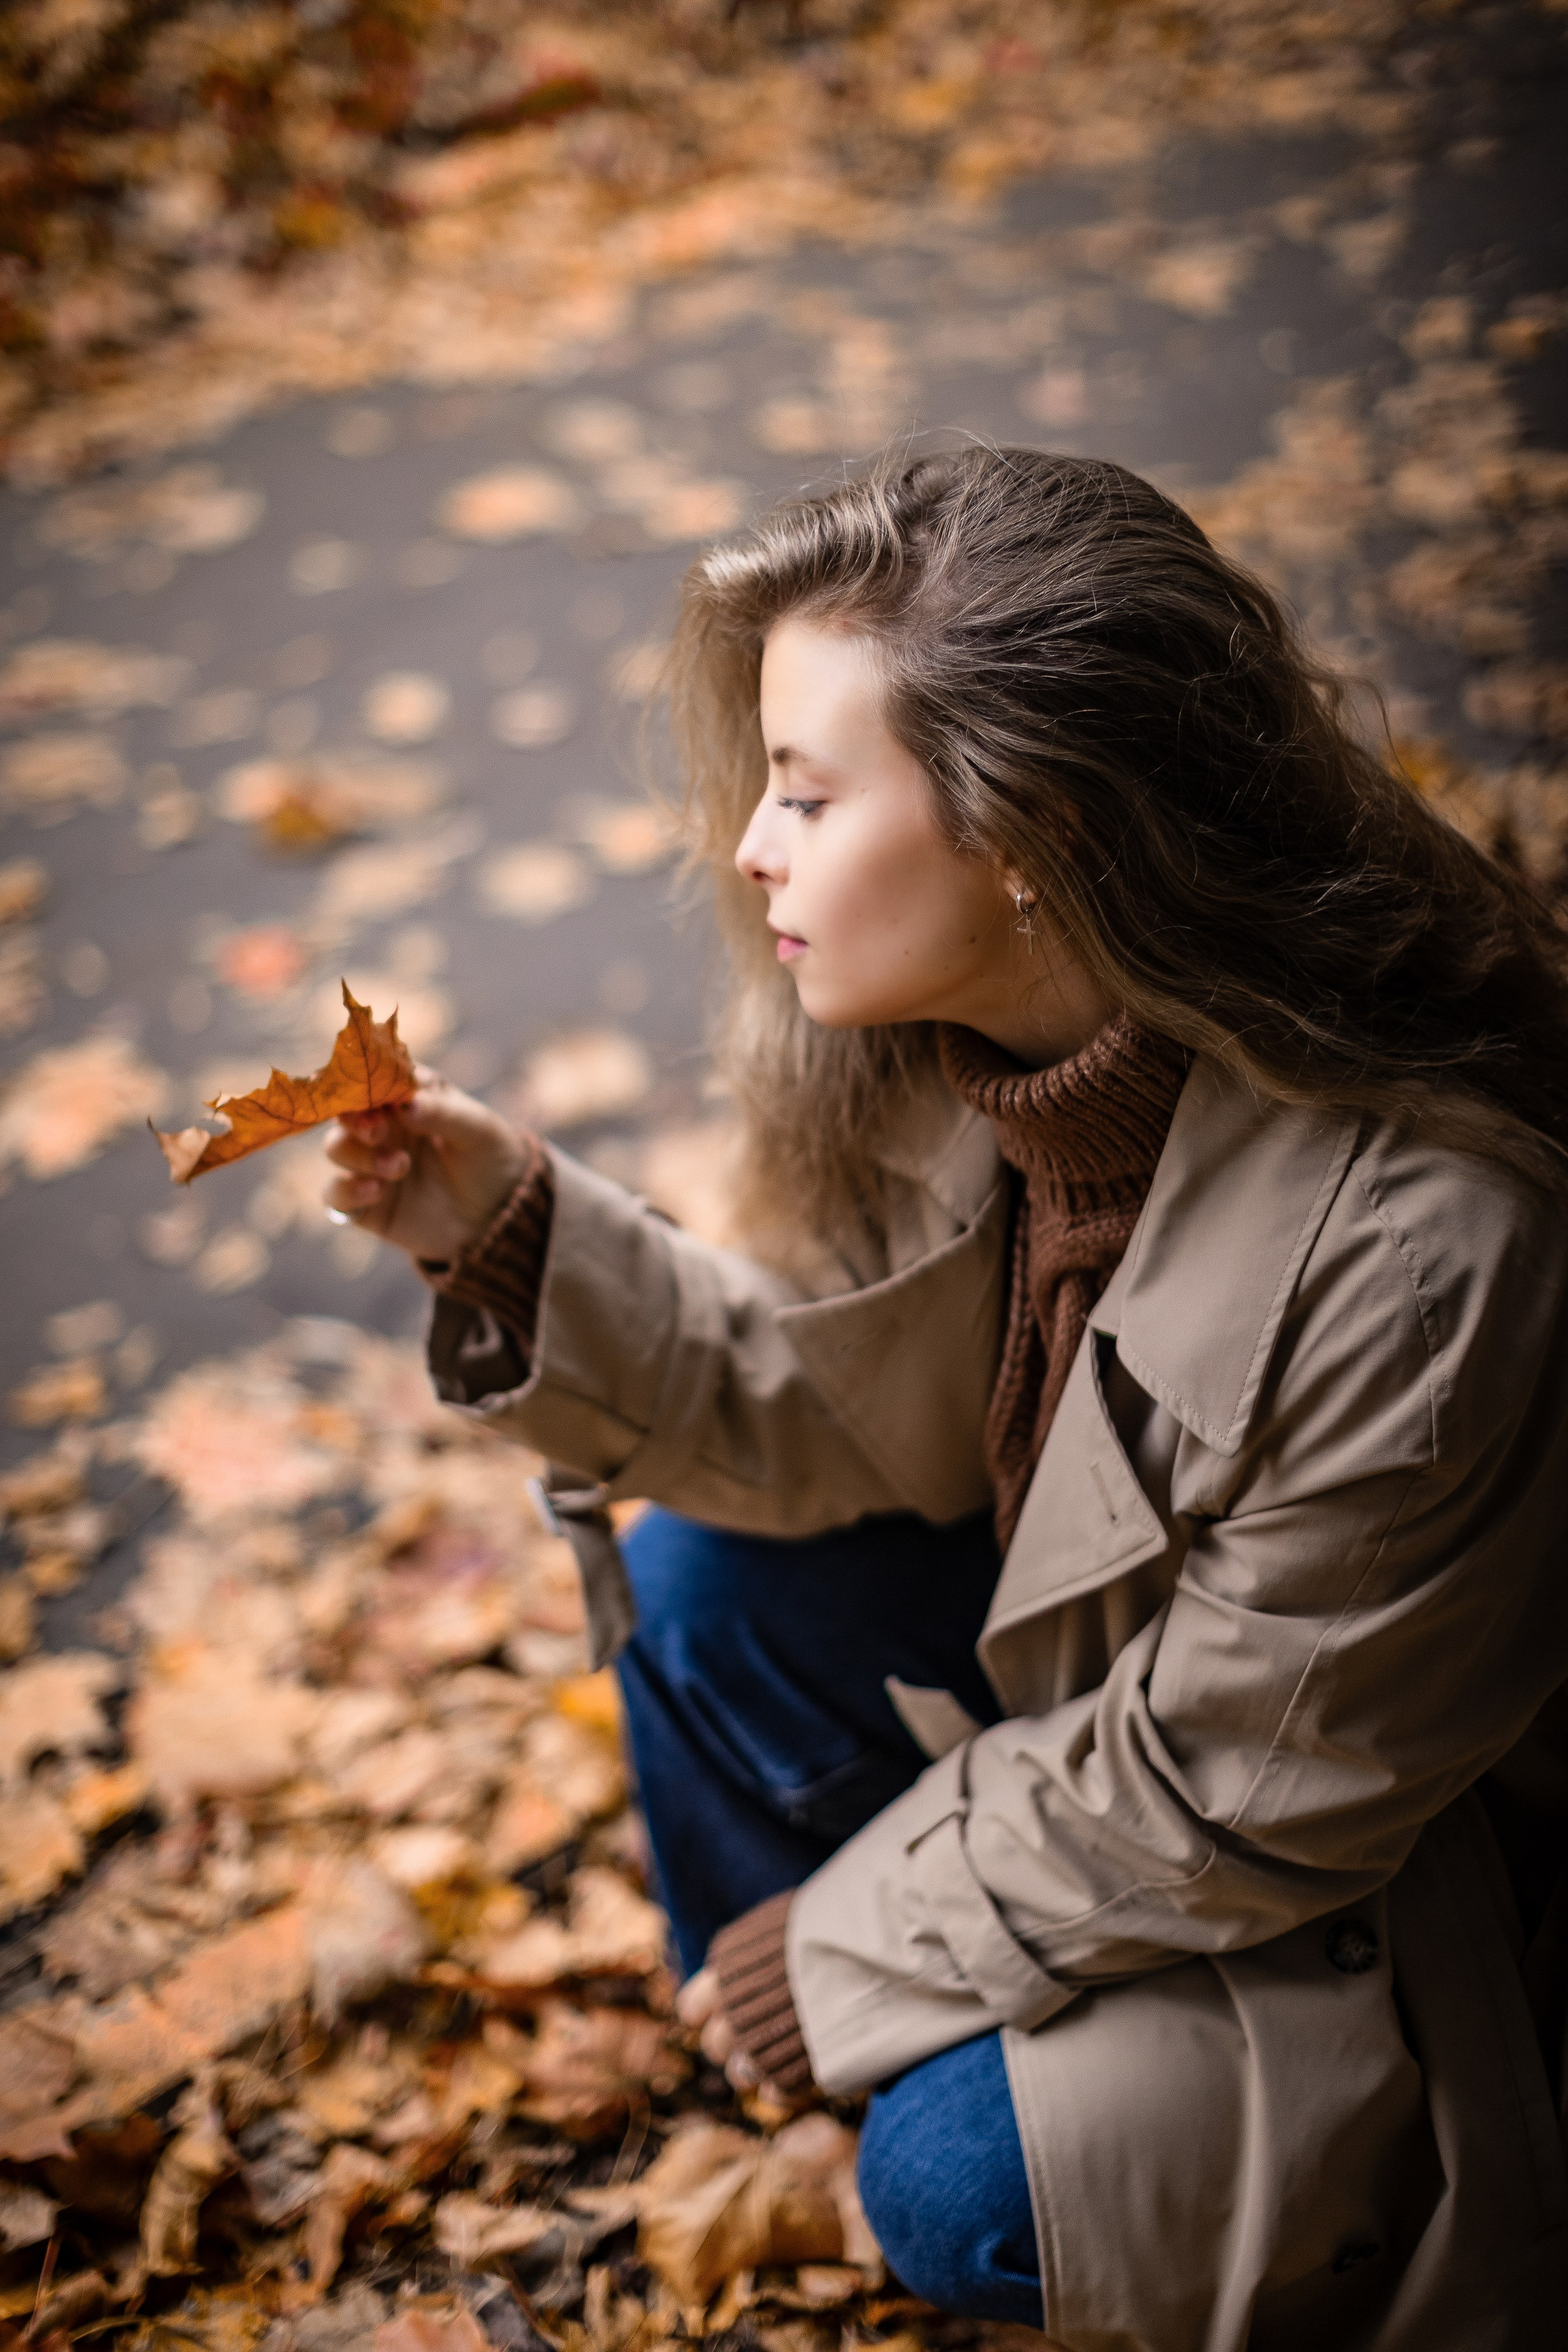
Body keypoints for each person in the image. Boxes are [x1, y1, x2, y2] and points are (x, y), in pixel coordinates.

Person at [324, 447, 1568, 2351]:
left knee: (963, 2183)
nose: (752, 845)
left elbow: (1237, 1786)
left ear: (1028, 830)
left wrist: (826, 1956)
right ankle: (828, 2091)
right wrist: (505, 1233)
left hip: (1416, 1887)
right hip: (1151, 1743)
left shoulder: (1420, 1245)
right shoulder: (975, 1055)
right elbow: (838, 1420)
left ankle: (890, 2113)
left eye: (809, 795)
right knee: (711, 1589)